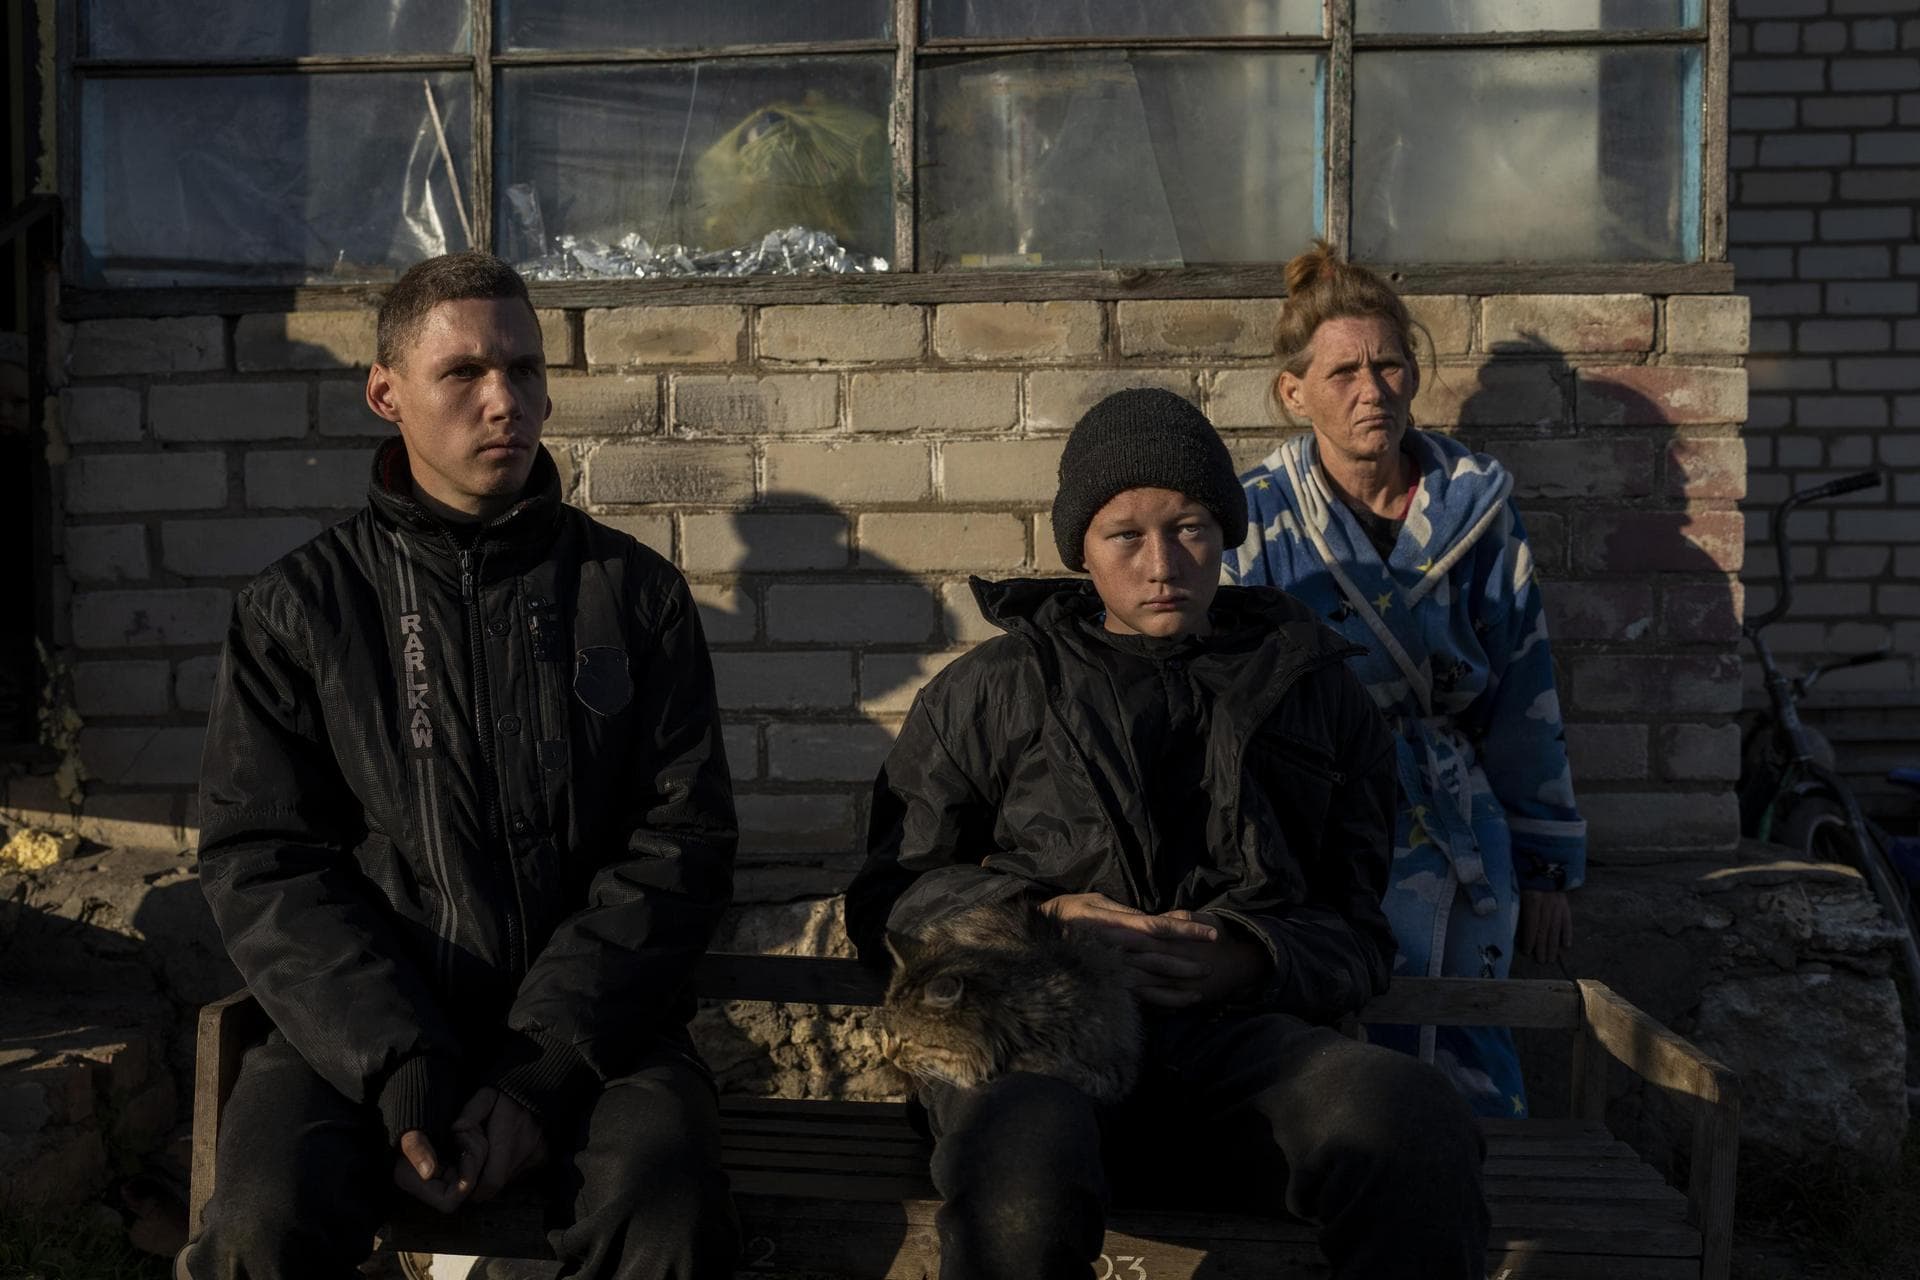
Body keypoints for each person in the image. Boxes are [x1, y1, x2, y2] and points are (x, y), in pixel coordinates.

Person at [846, 388, 1489, 1280]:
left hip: (1238, 1057)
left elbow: (1358, 932)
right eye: (1126, 536)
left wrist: (1248, 957)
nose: (1162, 564)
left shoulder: (1313, 690)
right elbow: (890, 894)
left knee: (1409, 1117)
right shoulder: (994, 689)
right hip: (1031, 1048)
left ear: (1225, 532)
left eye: (1188, 527)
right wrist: (1038, 920)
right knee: (1022, 1166)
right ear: (1082, 549)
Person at [185, 252, 739, 1280]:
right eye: (467, 373)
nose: (506, 401)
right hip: (363, 1040)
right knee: (261, 1220)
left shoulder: (635, 596)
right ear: (385, 392)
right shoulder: (301, 611)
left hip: (595, 1040)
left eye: (526, 370)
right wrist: (399, 1061)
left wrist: (538, 1073)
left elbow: (681, 843)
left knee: (664, 1207)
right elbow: (266, 857)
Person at [1227, 242, 1587, 1119]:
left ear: (1414, 373)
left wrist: (1545, 866)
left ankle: (1489, 1222)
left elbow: (1523, 692)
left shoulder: (1478, 515)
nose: (1370, 389)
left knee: (1469, 1030)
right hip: (1315, 812)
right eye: (1343, 370)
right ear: (1294, 390)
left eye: (1388, 364)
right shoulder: (1257, 517)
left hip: (1457, 812)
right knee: (1338, 1038)